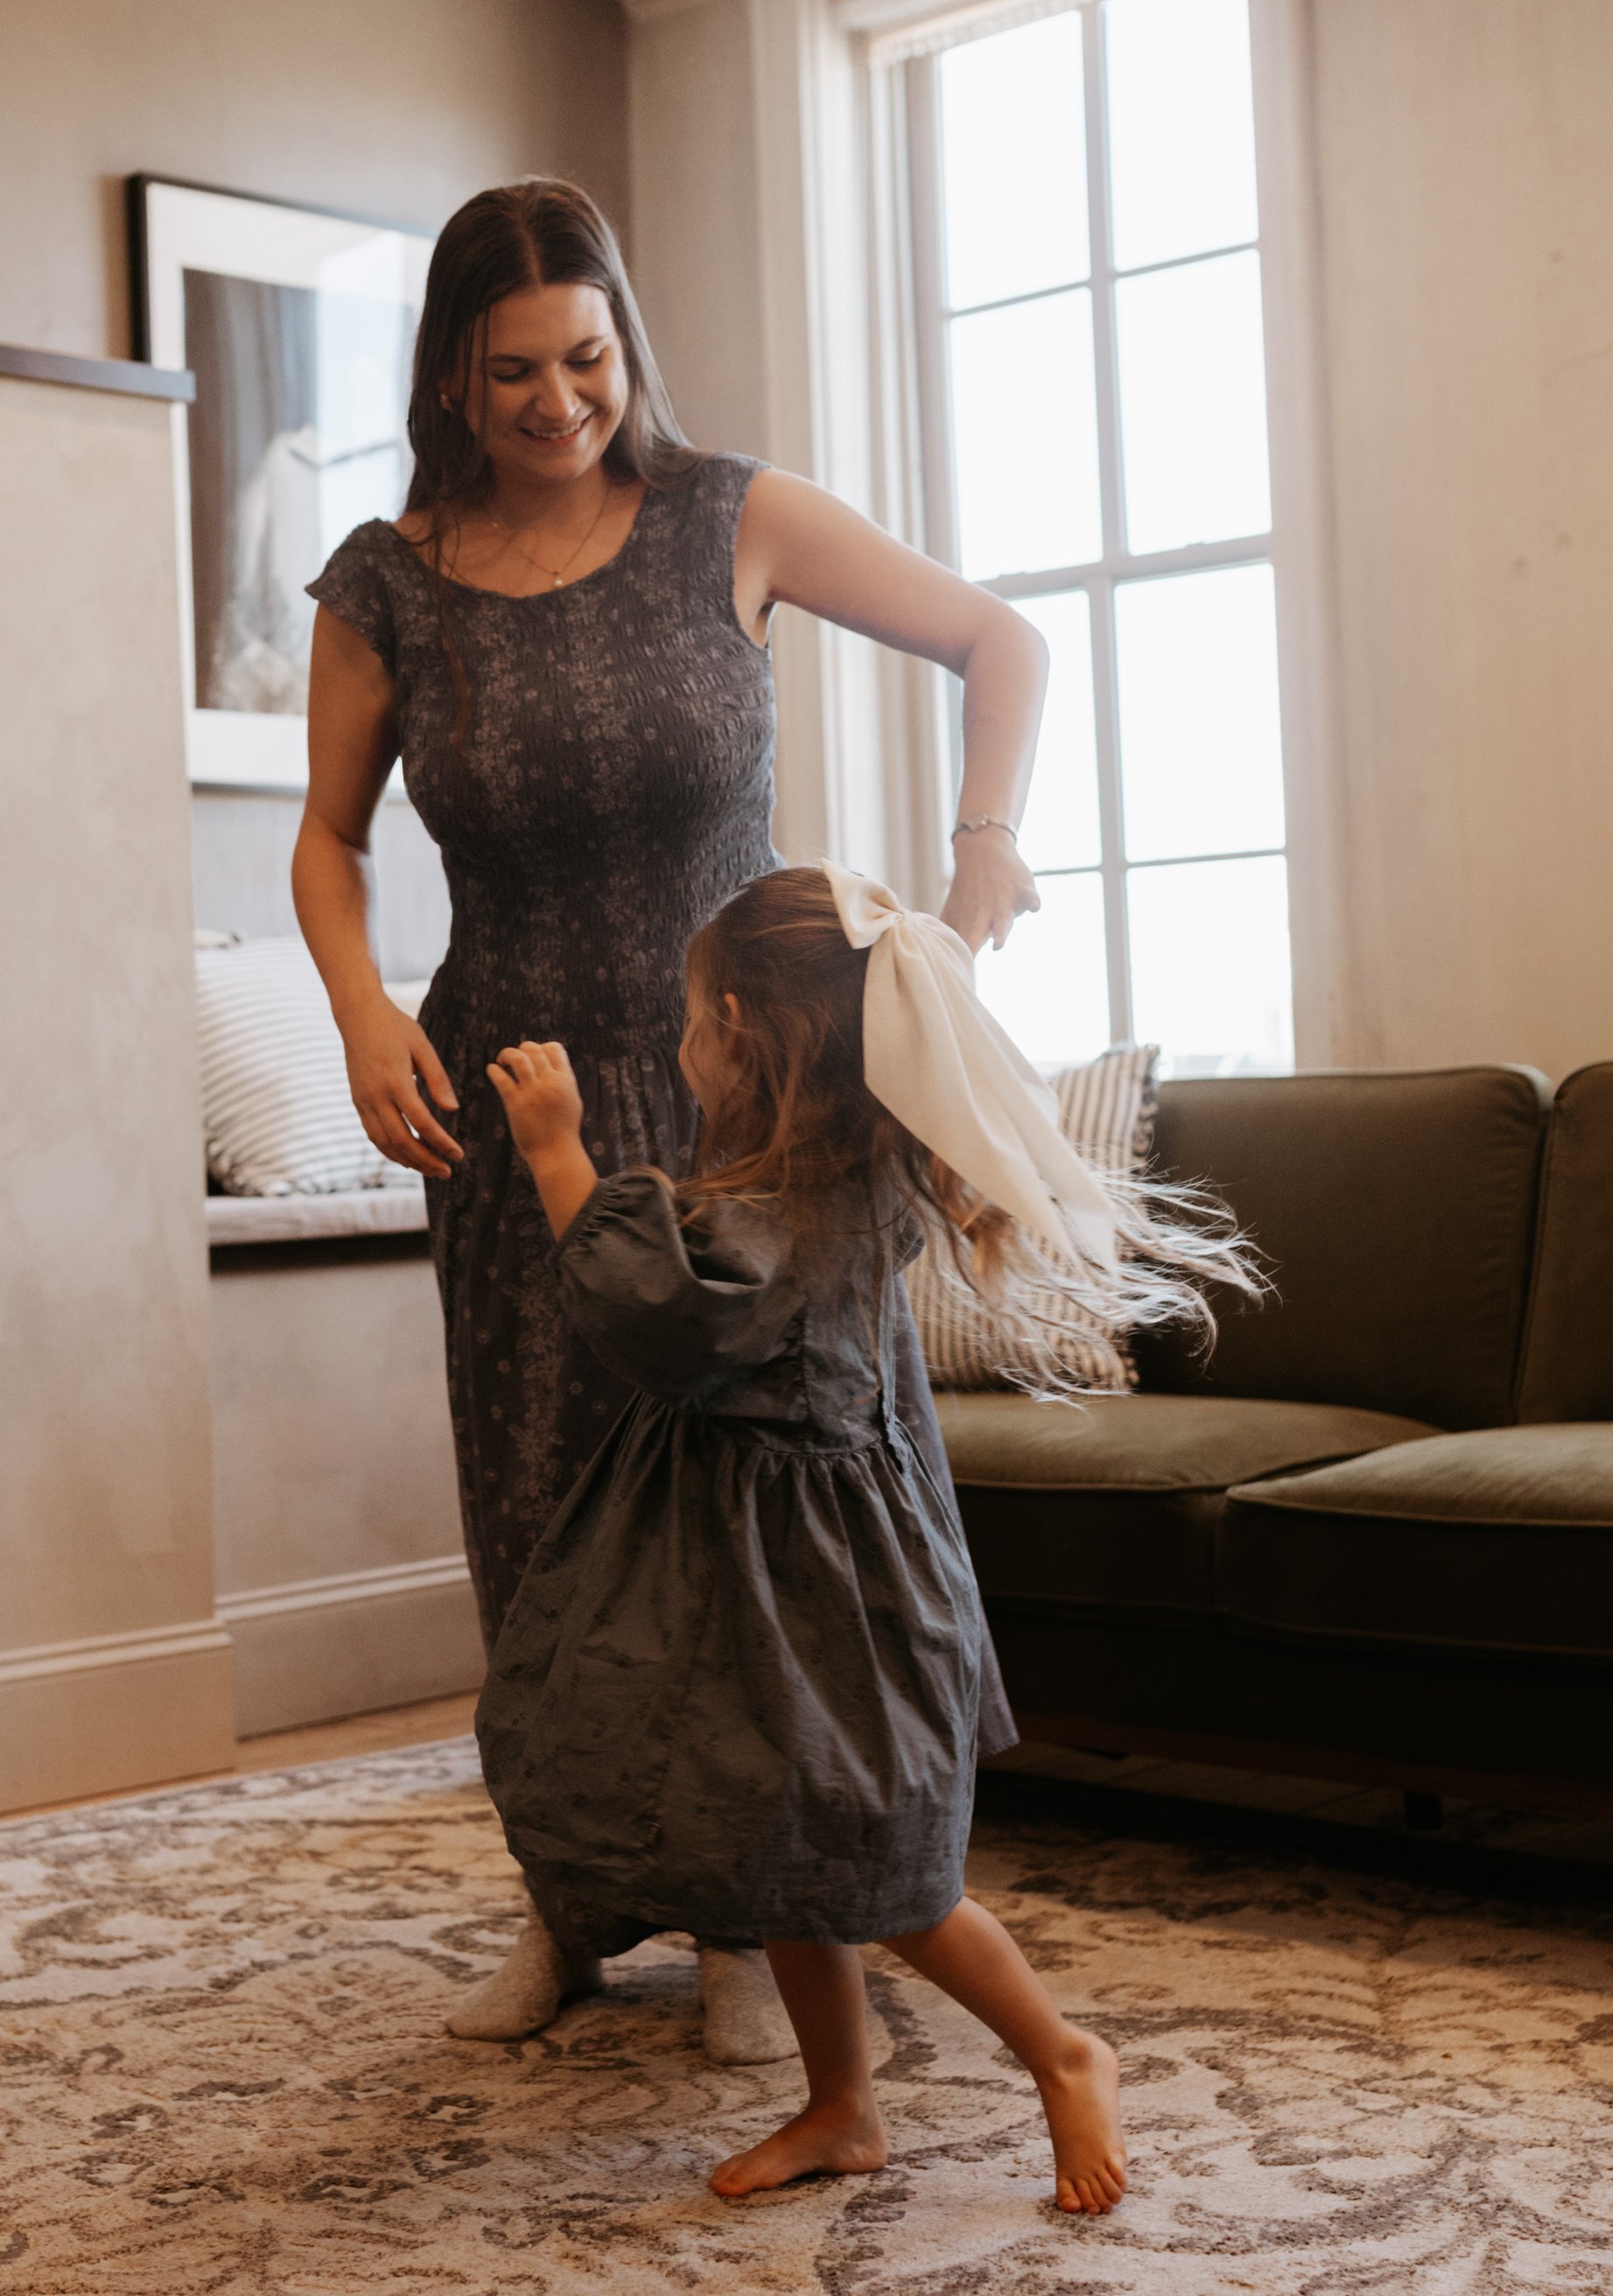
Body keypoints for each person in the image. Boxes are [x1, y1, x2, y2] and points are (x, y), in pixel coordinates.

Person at [293, 178, 1051, 2061]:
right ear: (449, 379)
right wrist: (363, 1007)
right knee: (551, 1514)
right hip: (517, 1101)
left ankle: (761, 1914)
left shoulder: (734, 514)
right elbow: (326, 838)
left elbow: (998, 640)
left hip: (755, 1098)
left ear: (624, 343)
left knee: (772, 1518)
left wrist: (981, 843)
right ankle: (569, 1900)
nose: (558, 400)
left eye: (587, 357)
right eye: (511, 372)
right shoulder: (386, 582)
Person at [475, 864, 1247, 2206]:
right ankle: (841, 2108)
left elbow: (659, 1322)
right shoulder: (844, 1173)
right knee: (784, 1841)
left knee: (888, 1874)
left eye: (690, 1018)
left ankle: (1064, 2054)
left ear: (739, 1030)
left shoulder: (775, 1214)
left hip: (813, 1584)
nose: (679, 1041)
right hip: (782, 1566)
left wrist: (558, 1153)